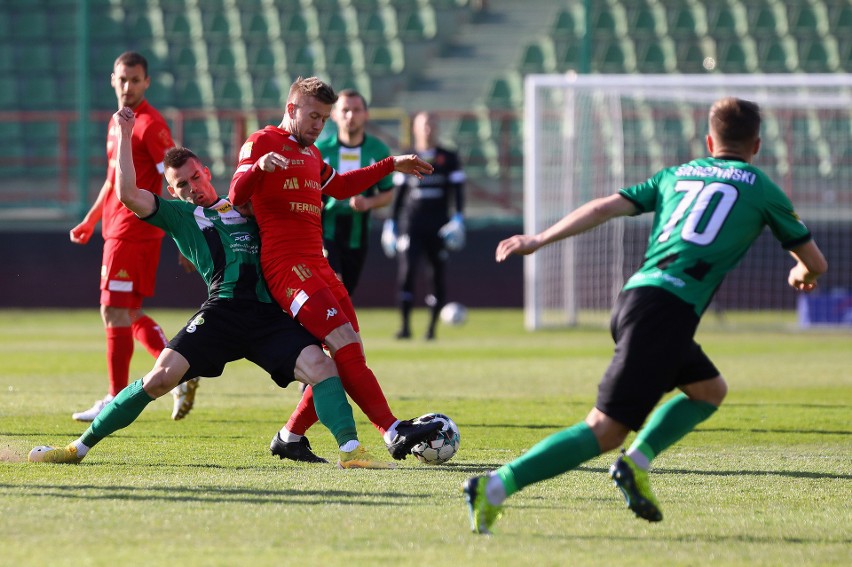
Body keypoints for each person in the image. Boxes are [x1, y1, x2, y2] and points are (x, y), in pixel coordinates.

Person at [463, 97, 828, 534]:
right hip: (665, 314)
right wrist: (800, 273)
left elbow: (602, 207)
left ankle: (636, 464)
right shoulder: (761, 185)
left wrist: (539, 238)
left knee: (709, 390)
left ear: (709, 140)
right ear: (758, 145)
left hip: (636, 298)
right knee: (604, 431)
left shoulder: (677, 174)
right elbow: (815, 261)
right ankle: (496, 486)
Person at [28, 107, 393, 469]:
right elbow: (126, 193)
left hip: (267, 316)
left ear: (206, 172)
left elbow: (306, 203)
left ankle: (351, 451)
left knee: (323, 368)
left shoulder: (247, 205)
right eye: (181, 185)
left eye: (194, 178)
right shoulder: (180, 215)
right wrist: (124, 135)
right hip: (222, 313)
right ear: (173, 190)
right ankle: (78, 447)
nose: (192, 188)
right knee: (159, 379)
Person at [228, 76, 441, 462]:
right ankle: (392, 431)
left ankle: (290, 437)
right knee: (342, 343)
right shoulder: (262, 142)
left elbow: (340, 187)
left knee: (349, 353)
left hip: (319, 266)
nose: (318, 125)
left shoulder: (311, 155)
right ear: (291, 109)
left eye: (324, 118)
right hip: (287, 269)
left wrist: (392, 164)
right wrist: (258, 167)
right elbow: (236, 194)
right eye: (312, 116)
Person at [68, 51, 198, 423]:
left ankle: (116, 395)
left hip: (132, 229)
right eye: (122, 79)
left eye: (135, 80)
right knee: (129, 311)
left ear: (147, 82)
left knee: (112, 310)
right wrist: (91, 220)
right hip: (115, 227)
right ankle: (179, 372)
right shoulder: (119, 123)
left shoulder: (151, 125)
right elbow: (113, 178)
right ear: (113, 79)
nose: (128, 87)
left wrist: (188, 234)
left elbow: (176, 178)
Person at [382, 111, 466, 340]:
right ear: (415, 129)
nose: (428, 129)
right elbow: (399, 196)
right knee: (407, 273)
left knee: (436, 275)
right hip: (412, 227)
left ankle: (431, 330)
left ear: (436, 128)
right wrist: (391, 224)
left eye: (431, 125)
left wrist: (458, 218)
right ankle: (405, 327)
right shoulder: (407, 157)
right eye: (423, 125)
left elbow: (457, 192)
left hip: (439, 227)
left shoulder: (448, 158)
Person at [316, 89, 394, 295]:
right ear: (334, 114)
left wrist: (368, 203)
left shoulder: (378, 151)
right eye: (345, 110)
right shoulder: (320, 150)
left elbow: (388, 193)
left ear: (366, 114)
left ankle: (340, 328)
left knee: (345, 295)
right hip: (325, 231)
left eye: (357, 110)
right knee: (334, 286)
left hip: (358, 235)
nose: (350, 116)